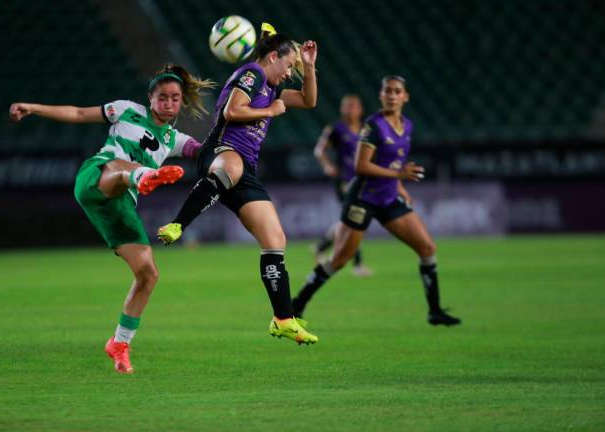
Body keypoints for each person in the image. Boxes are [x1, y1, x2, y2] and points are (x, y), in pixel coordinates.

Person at [9, 64, 215, 373]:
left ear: (181, 101)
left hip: (119, 205)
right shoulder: (126, 110)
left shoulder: (174, 139)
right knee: (121, 165)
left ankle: (119, 344)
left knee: (148, 273)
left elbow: (204, 152)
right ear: (150, 98)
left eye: (175, 98)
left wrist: (233, 145)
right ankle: (146, 176)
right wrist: (33, 108)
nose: (169, 103)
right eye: (163, 97)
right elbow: (78, 114)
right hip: (97, 176)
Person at [157, 24, 319, 344]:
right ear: (273, 56)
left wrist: (310, 68)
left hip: (246, 170)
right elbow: (232, 111)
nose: (289, 73)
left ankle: (283, 319)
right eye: (288, 66)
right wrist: (271, 109)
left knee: (275, 239)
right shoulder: (253, 74)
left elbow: (308, 100)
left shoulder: (270, 86)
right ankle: (177, 225)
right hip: (219, 152)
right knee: (232, 165)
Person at [291, 76, 461, 326]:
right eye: (387, 91)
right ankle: (296, 305)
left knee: (427, 248)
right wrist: (399, 176)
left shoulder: (408, 126)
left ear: (405, 97)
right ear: (381, 96)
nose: (392, 95)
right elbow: (361, 167)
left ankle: (434, 311)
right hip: (363, 198)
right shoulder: (373, 126)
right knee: (339, 260)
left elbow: (395, 161)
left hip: (389, 197)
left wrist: (399, 185)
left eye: (397, 91)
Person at [313, 94, 373, 277]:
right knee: (355, 218)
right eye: (346, 106)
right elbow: (319, 150)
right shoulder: (335, 129)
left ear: (360, 109)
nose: (350, 110)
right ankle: (357, 265)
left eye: (353, 106)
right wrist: (327, 166)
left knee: (348, 221)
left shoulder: (366, 130)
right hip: (345, 181)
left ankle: (321, 247)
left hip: (362, 180)